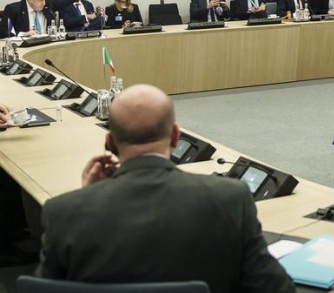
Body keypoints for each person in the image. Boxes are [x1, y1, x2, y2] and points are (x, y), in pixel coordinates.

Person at [34, 84, 296, 293]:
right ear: (174, 136)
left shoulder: (63, 212)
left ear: (109, 143)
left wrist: (87, 198)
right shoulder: (231, 199)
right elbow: (275, 288)